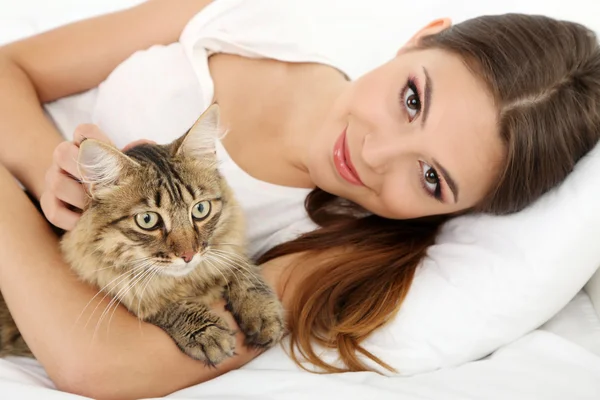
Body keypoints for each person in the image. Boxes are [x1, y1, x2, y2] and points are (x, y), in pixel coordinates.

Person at [0, 0, 599, 398]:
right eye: (412, 99)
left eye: (431, 178)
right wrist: (63, 179)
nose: (373, 152)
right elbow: (10, 67)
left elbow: (96, 362)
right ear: (421, 39)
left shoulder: (328, 250)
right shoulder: (252, 18)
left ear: (455, 214)